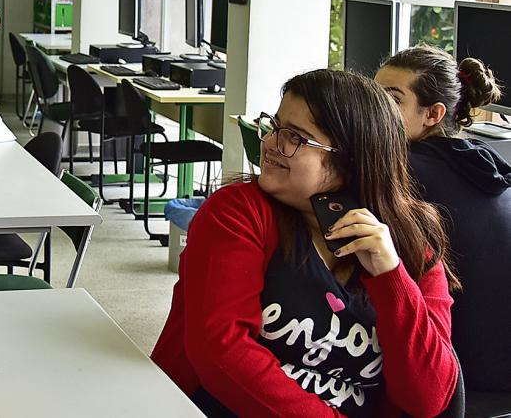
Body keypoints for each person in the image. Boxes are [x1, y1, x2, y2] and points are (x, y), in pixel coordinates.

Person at [151, 69, 460, 417]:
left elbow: (429, 399)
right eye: (274, 126)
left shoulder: (411, 242)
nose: (269, 144)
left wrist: (391, 277)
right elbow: (220, 352)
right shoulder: (238, 213)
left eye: (294, 137)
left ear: (353, 159)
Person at [376, 45, 511, 392]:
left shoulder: (399, 174)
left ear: (433, 114)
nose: (373, 110)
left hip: (456, 377)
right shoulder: (486, 163)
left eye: (391, 100)